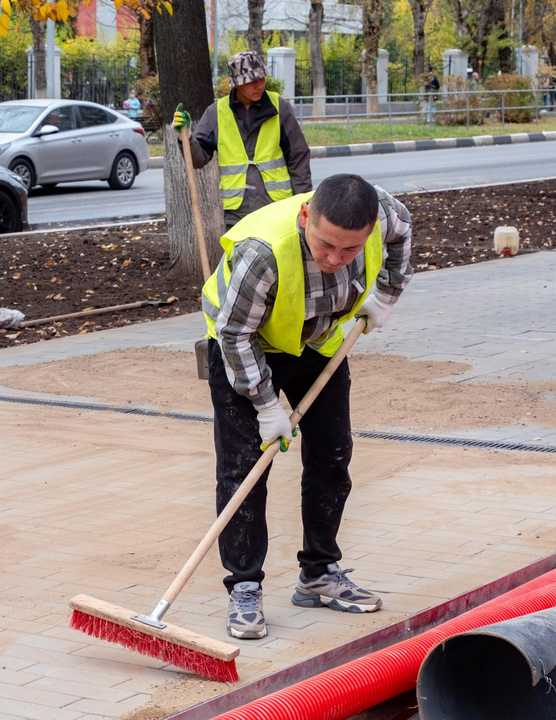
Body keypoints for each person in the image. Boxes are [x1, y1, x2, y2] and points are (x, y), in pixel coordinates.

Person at [200, 173, 413, 640]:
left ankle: (319, 573)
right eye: (326, 246)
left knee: (333, 457)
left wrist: (386, 292)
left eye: (350, 251)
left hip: (318, 343)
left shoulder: (383, 214)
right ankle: (244, 587)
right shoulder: (263, 253)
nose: (336, 260)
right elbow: (236, 334)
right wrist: (265, 404)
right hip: (246, 348)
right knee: (244, 471)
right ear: (305, 218)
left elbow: (403, 230)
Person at [173, 51, 311, 233]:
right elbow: (198, 160)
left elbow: (298, 157)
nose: (259, 85)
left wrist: (302, 201)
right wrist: (187, 137)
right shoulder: (217, 112)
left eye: (261, 78)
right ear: (237, 84)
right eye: (251, 81)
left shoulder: (280, 107)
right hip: (237, 212)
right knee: (240, 260)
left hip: (277, 206)